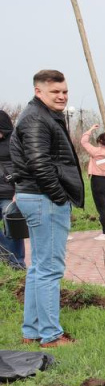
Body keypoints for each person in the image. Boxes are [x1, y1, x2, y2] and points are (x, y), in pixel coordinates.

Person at [10, 69, 85, 347]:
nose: (62, 96)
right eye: (55, 92)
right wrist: (58, 196)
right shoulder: (37, 119)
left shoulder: (41, 116)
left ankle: (31, 330)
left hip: (37, 197)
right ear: (38, 91)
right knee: (49, 269)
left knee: (38, 268)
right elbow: (38, 163)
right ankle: (51, 335)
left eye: (64, 91)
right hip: (44, 199)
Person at [0, 109, 26, 269]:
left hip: (10, 193)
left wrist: (19, 190)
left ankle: (17, 263)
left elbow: (23, 168)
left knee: (13, 228)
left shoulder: (15, 141)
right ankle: (5, 255)